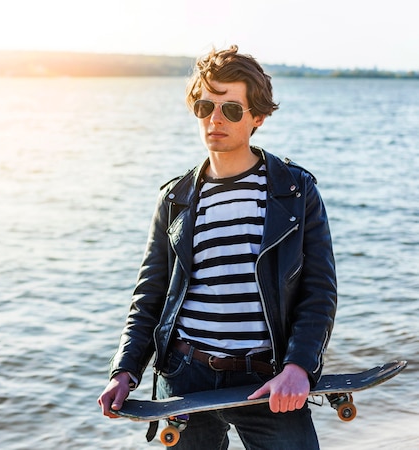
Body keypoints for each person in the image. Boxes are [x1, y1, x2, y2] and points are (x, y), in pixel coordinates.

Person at [98, 45, 337, 449]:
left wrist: (299, 366)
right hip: (186, 375)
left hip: (270, 380)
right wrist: (124, 370)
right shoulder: (176, 199)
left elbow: (318, 291)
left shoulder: (295, 192)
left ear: (257, 117)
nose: (215, 119)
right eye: (205, 106)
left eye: (231, 109)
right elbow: (150, 296)